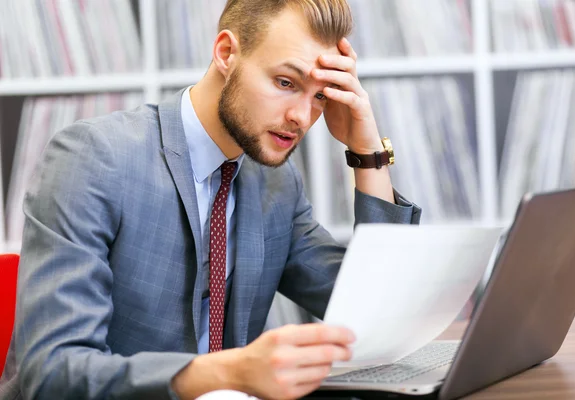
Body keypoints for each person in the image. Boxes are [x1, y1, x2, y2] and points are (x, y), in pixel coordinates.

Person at [0, 0, 421, 399]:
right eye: (286, 82)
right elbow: (52, 373)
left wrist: (367, 153)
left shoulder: (277, 184)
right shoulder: (94, 158)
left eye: (320, 96)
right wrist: (229, 372)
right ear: (226, 53)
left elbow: (376, 313)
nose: (301, 115)